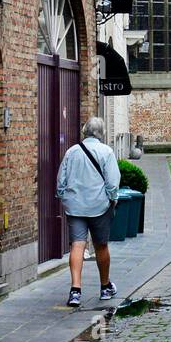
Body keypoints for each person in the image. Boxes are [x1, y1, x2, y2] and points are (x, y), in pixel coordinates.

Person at [56, 116, 120, 309]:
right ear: (101, 133)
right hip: (99, 206)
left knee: (77, 245)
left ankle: (75, 290)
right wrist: (112, 198)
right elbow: (112, 182)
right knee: (101, 246)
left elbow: (61, 180)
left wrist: (65, 198)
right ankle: (105, 286)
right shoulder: (106, 152)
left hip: (75, 206)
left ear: (84, 132)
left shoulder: (72, 152)